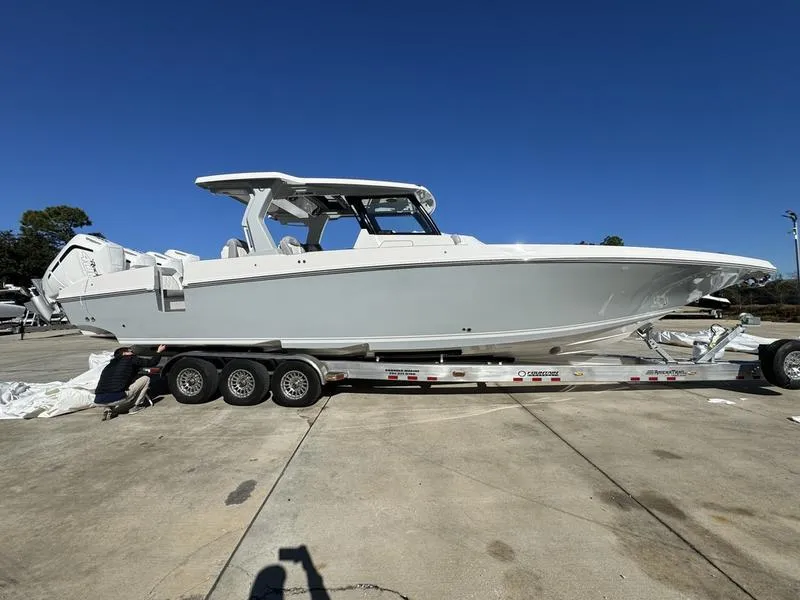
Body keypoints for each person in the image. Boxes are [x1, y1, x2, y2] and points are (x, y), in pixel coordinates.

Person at [94, 344, 166, 412]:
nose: (132, 352)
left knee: (110, 388)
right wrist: (159, 351)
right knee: (146, 379)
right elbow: (152, 362)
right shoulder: (130, 358)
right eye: (130, 351)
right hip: (118, 398)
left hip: (98, 401)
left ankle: (107, 409)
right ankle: (136, 406)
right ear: (124, 353)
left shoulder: (109, 366)